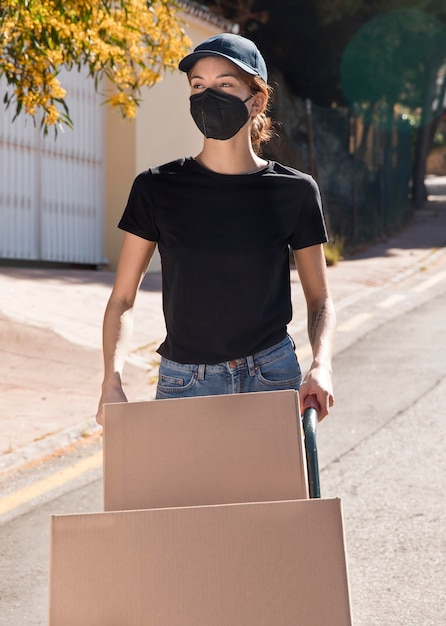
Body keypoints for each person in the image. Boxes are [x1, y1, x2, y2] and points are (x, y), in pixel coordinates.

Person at [96, 33, 336, 426]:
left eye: (224, 84)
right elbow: (122, 299)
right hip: (186, 382)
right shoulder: (156, 188)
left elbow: (320, 300)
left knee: (277, 491)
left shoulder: (294, 191)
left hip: (273, 378)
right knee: (186, 491)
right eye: (198, 86)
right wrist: (112, 381)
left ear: (256, 99)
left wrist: (321, 365)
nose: (208, 95)